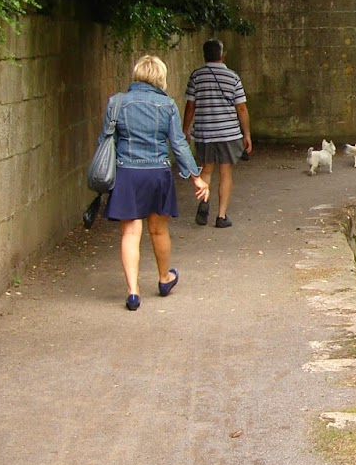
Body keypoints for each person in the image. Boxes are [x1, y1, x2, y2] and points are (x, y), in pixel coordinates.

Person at [100, 55, 209, 311]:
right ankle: (164, 278)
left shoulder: (117, 103)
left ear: (137, 74)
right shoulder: (168, 105)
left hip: (127, 173)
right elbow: (178, 144)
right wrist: (196, 176)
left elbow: (105, 141)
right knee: (158, 230)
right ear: (160, 76)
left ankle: (133, 292)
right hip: (157, 173)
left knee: (130, 232)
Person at [184, 39, 253, 229]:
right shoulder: (233, 77)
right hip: (229, 134)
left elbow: (190, 105)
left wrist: (186, 129)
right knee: (225, 172)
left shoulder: (196, 76)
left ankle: (204, 203)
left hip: (205, 132)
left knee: (206, 169)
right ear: (222, 55)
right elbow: (241, 108)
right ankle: (221, 217)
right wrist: (246, 134)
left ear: (204, 55)